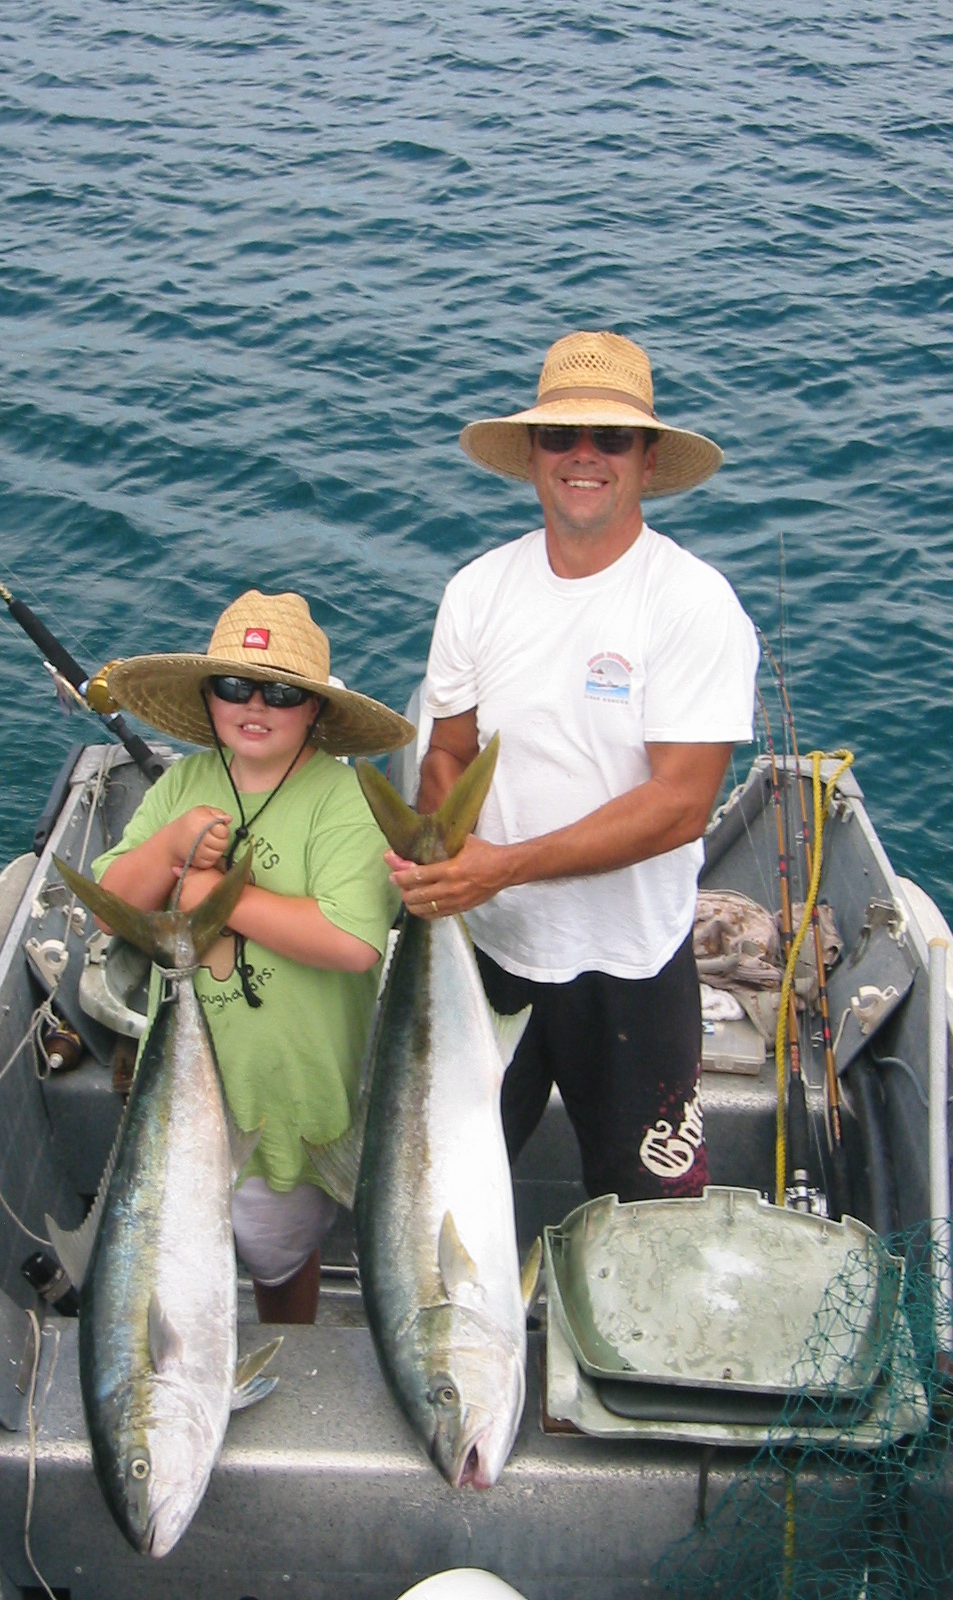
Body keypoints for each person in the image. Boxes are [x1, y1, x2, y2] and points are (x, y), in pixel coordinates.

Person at [389, 329, 758, 1203]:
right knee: (437, 1196)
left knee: (654, 1218)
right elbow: (447, 752)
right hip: (490, 956)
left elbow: (678, 806)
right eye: (561, 436)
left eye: (611, 438)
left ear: (646, 457)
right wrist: (444, 852)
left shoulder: (692, 603)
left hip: (630, 969)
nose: (583, 456)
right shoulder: (477, 591)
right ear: (532, 454)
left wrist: (502, 867)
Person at [92, 590, 413, 1322]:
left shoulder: (343, 799)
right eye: (234, 686)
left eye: (282, 691)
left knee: (277, 1253)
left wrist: (215, 895)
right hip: (180, 1095)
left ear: (317, 711)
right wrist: (171, 846)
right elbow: (111, 897)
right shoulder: (184, 784)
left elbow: (354, 943)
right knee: (174, 1244)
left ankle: (290, 1351)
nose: (255, 704)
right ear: (208, 698)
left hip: (290, 1101)